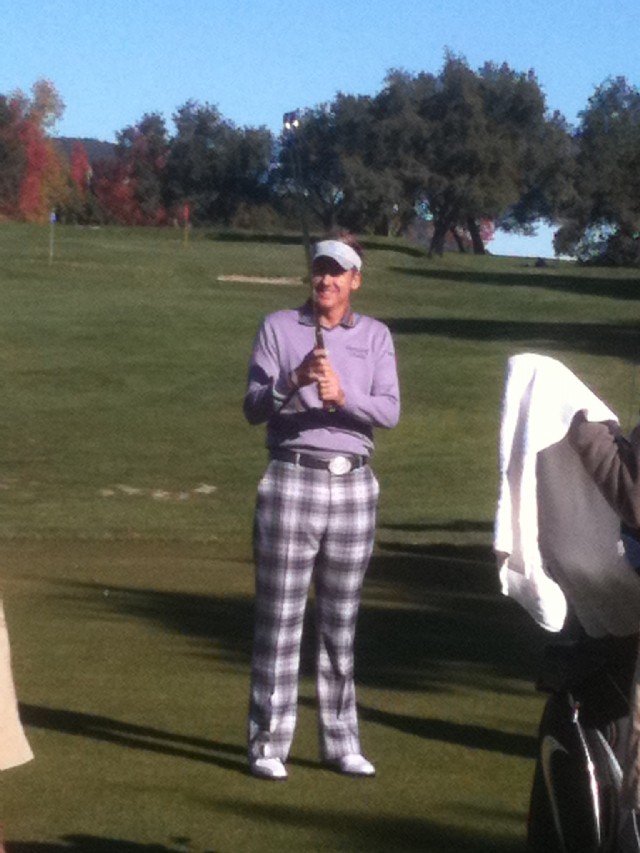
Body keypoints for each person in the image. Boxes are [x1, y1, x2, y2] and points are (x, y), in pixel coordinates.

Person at [243, 231, 400, 781]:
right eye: (319, 269)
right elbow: (253, 408)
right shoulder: (278, 328)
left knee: (340, 621)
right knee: (280, 619)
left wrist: (343, 398)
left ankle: (341, 744)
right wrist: (295, 380)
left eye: (337, 271)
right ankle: (268, 745)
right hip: (292, 477)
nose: (326, 279)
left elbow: (389, 411)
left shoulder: (375, 336)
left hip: (353, 484)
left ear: (355, 279)